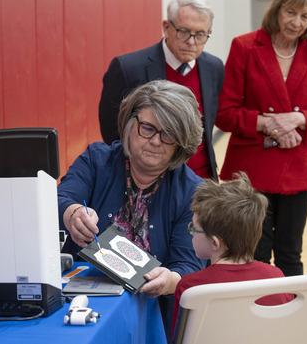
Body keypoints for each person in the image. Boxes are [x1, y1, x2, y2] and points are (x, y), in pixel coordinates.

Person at [58, 80, 206, 337]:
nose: (155, 141)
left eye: (168, 134)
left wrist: (171, 280)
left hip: (151, 317)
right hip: (77, 307)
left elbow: (188, 265)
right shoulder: (96, 159)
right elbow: (60, 197)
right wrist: (71, 213)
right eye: (147, 128)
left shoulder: (191, 190)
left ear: (182, 142)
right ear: (130, 124)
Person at [215, 0, 307, 277]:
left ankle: (289, 319)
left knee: (290, 253)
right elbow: (225, 114)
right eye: (291, 12)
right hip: (250, 172)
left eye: (305, 16)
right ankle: (255, 318)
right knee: (253, 254)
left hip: (298, 170)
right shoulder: (244, 46)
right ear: (277, 9)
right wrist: (270, 124)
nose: (296, 22)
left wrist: (297, 119)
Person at [98, 0, 225, 180]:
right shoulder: (128, 68)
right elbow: (112, 132)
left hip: (201, 180)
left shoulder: (214, 68)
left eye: (200, 35)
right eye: (184, 32)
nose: (191, 42)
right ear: (166, 27)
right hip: (147, 180)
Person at [172, 172, 293, 335]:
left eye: (193, 227)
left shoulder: (191, 287)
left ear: (215, 243)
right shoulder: (276, 278)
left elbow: (179, 338)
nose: (191, 233)